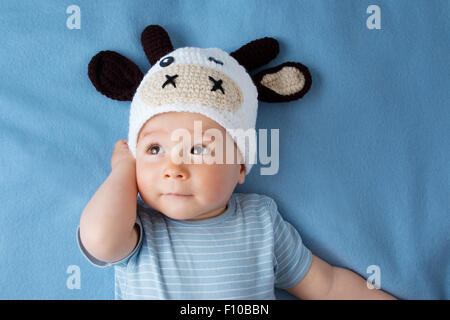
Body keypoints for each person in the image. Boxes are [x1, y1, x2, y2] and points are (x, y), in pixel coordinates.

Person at [79, 26, 397, 299]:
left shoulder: (261, 222)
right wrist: (122, 170)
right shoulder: (136, 225)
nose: (173, 168)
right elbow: (100, 240)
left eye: (200, 149)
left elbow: (326, 285)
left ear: (241, 165)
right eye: (153, 149)